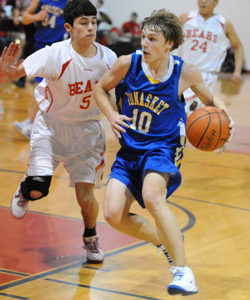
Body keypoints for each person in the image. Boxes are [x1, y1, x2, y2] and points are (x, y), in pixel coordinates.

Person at [93, 9, 234, 295]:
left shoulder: (184, 72)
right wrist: (110, 115)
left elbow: (210, 99)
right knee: (112, 214)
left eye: (152, 39)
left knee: (152, 196)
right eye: (143, 37)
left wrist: (224, 114)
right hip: (130, 150)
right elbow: (100, 88)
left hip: (163, 149)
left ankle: (183, 272)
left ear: (169, 43)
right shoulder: (126, 64)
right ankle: (164, 242)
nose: (144, 44)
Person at [0, 0, 117, 263]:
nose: (90, 28)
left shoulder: (108, 58)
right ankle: (25, 188)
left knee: (86, 198)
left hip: (87, 133)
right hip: (51, 128)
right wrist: (3, 72)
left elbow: (116, 94)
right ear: (69, 28)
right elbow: (8, 76)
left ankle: (90, 237)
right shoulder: (54, 54)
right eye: (83, 23)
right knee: (37, 190)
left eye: (93, 22)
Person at [177, 0, 244, 117]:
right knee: (177, 112)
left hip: (207, 77)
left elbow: (238, 47)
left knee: (191, 115)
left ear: (216, 2)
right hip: (183, 72)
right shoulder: (185, 18)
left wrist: (237, 71)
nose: (203, 1)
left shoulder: (223, 24)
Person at [13, 0, 68, 138]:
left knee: (44, 85)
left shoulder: (69, 2)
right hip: (41, 46)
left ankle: (32, 122)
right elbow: (25, 18)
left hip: (58, 48)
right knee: (44, 86)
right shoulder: (40, 0)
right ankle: (36, 123)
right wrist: (36, 17)